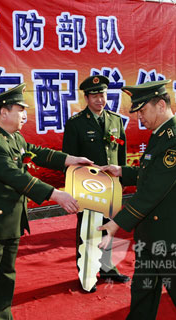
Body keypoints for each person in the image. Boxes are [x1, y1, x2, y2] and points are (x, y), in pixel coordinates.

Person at [0, 83, 93, 319]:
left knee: (4, 281)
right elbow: (16, 177)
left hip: (9, 224)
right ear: (4, 111)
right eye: (21, 109)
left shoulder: (12, 137)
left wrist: (70, 160)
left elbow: (36, 152)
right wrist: (56, 194)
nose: (25, 115)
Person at [98, 80, 176, 319]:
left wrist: (116, 222)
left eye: (142, 110)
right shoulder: (161, 134)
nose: (139, 116)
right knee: (142, 298)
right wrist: (122, 171)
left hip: (174, 237)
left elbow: (153, 190)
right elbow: (149, 171)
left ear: (161, 105)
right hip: (152, 234)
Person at [62, 75, 130, 292]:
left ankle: (108, 268)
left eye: (102, 94)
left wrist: (123, 178)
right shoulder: (76, 124)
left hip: (111, 187)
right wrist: (75, 190)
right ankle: (86, 274)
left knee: (108, 228)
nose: (99, 99)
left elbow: (121, 153)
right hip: (87, 188)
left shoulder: (116, 120)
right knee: (88, 230)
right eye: (94, 95)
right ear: (86, 97)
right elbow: (69, 160)